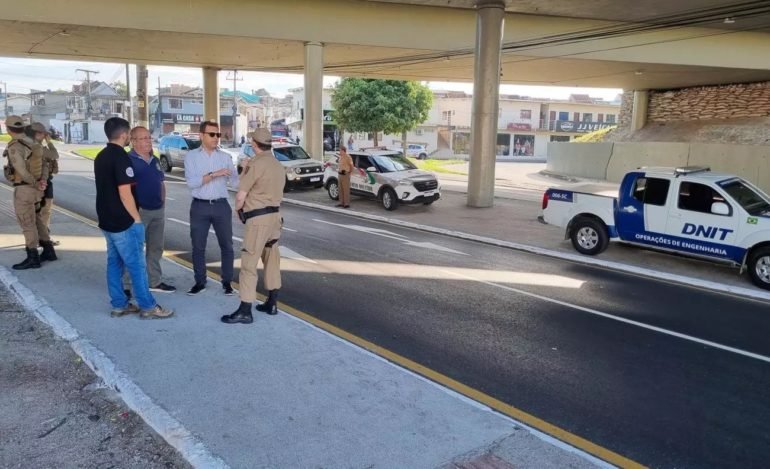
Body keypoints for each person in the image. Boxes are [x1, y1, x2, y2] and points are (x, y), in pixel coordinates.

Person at [94, 117, 173, 319]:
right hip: (123, 221)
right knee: (136, 265)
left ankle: (119, 305)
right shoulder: (121, 157)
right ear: (124, 135)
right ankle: (148, 306)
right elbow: (125, 192)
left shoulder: (101, 156)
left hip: (106, 218)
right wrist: (137, 219)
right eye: (130, 134)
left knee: (114, 263)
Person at [221, 128, 285, 324]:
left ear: (254, 144)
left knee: (249, 263)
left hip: (258, 220)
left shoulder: (255, 164)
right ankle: (272, 303)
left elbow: (241, 194)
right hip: (275, 217)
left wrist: (238, 209)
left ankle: (245, 310)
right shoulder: (278, 164)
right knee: (272, 259)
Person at [184, 120, 239, 296]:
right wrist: (214, 174)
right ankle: (200, 282)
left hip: (221, 206)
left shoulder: (225, 157)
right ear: (201, 135)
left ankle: (227, 283)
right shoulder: (191, 157)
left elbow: (236, 183)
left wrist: (244, 171)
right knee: (198, 246)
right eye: (212, 134)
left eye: (218, 134)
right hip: (199, 206)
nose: (216, 137)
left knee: (227, 246)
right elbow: (192, 183)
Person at [121, 126, 176, 294]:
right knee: (134, 249)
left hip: (158, 210)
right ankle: (127, 286)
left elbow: (161, 182)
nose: (148, 141)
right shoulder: (127, 160)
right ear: (134, 141)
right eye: (143, 138)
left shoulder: (155, 160)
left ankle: (154, 281)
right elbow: (123, 189)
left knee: (156, 248)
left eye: (149, 137)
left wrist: (162, 202)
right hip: (139, 212)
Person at [2, 116, 54, 269]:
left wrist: (36, 183)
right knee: (37, 219)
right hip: (36, 190)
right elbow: (45, 164)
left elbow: (21, 171)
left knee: (27, 222)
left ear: (8, 129)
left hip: (25, 189)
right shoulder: (34, 143)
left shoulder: (15, 146)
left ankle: (33, 257)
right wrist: (42, 180)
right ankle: (49, 250)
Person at [28, 122, 59, 247]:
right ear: (35, 134)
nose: (45, 136)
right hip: (41, 182)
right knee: (44, 211)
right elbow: (55, 154)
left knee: (42, 211)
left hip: (41, 182)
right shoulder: (36, 147)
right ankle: (43, 238)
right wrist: (49, 142)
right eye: (42, 133)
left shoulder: (31, 146)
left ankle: (41, 237)